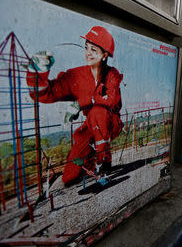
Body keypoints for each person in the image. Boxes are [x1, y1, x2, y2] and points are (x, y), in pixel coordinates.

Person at [26, 26, 123, 185]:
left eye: (93, 49)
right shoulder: (75, 75)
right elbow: (46, 94)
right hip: (90, 128)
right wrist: (37, 71)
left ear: (104, 55)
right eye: (86, 48)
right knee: (70, 178)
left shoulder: (111, 75)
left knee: (97, 112)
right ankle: (89, 162)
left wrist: (80, 103)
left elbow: (111, 100)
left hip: (111, 122)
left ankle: (104, 163)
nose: (88, 53)